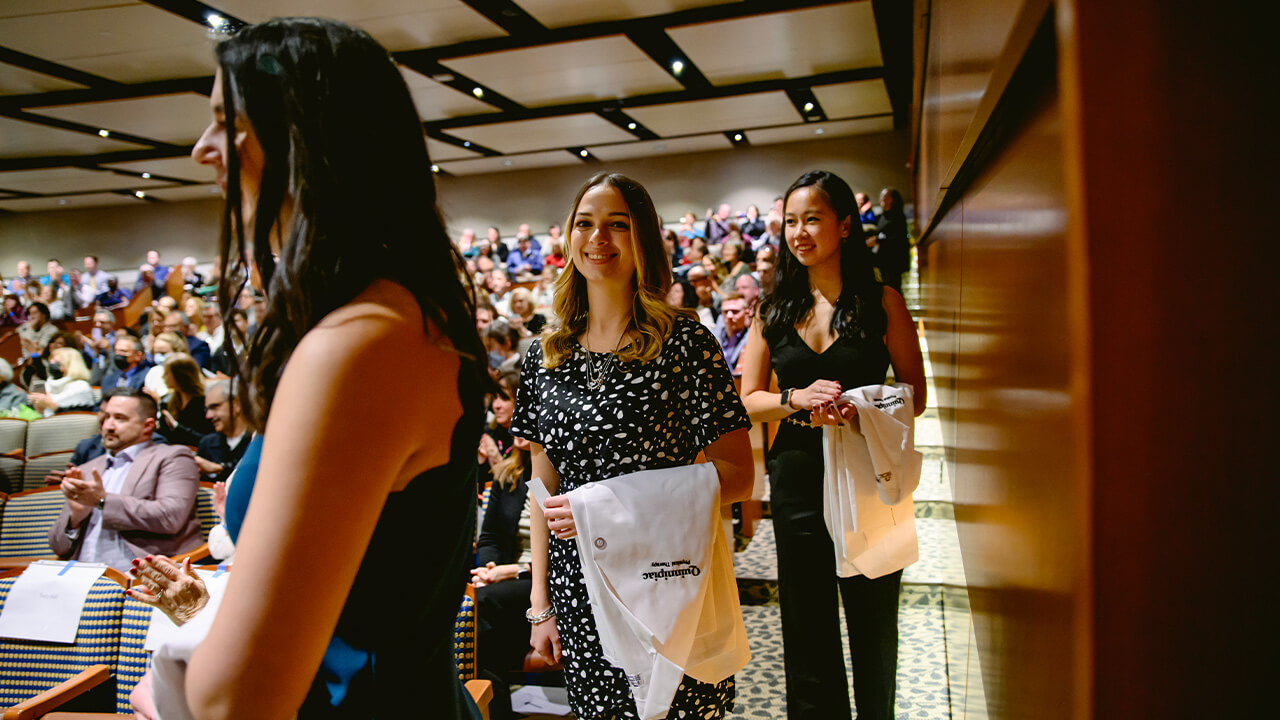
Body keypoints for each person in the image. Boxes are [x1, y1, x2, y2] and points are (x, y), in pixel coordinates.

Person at [146, 17, 490, 719]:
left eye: (227, 123)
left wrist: (165, 693)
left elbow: (236, 702)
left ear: (303, 137)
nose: (201, 149)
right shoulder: (384, 319)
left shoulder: (362, 342)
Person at [509, 172, 754, 720]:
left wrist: (606, 505)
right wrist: (540, 603)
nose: (598, 238)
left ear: (643, 237)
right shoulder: (544, 355)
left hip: (666, 575)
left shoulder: (685, 343)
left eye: (617, 225)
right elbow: (543, 489)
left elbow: (739, 476)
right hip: (579, 585)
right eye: (585, 223)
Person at [739, 171, 926, 720]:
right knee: (805, 621)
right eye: (791, 221)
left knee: (873, 615)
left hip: (867, 471)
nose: (799, 232)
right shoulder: (771, 310)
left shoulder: (883, 301)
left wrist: (861, 404)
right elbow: (747, 399)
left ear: (844, 225)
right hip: (797, 474)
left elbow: (915, 396)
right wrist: (793, 399)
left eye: (812, 219)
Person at [47, 390, 202, 573]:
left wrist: (102, 501)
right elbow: (58, 547)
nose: (108, 426)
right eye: (106, 417)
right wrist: (76, 518)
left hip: (144, 576)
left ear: (147, 426)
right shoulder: (87, 468)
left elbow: (170, 517)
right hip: (81, 574)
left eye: (120, 418)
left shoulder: (172, 457)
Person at [195, 379, 253, 483]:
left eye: (214, 407)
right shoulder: (207, 444)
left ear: (236, 404)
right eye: (207, 409)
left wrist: (218, 469)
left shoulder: (257, 442)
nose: (208, 415)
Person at [153, 353, 213, 447]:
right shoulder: (167, 400)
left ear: (180, 375)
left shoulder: (205, 402)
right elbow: (164, 434)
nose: (163, 377)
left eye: (167, 373)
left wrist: (177, 427)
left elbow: (207, 439)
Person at [27, 346, 96, 414]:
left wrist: (52, 405)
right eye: (51, 360)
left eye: (55, 361)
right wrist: (39, 407)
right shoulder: (47, 385)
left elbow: (80, 417)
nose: (51, 363)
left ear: (69, 365)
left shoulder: (81, 386)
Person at [869, 187, 910, 293]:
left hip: (894, 259)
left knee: (894, 289)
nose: (882, 198)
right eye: (881, 196)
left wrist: (877, 240)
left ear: (893, 199)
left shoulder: (898, 216)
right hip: (883, 259)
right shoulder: (883, 216)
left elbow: (897, 238)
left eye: (885, 196)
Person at [712, 292, 750, 373]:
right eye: (725, 312)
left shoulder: (752, 339)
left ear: (746, 313)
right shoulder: (713, 337)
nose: (729, 316)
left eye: (735, 311)